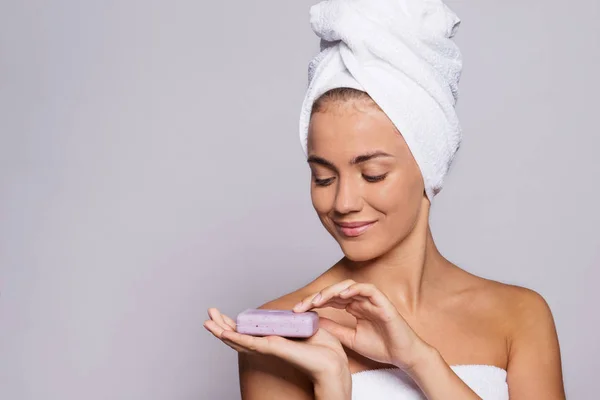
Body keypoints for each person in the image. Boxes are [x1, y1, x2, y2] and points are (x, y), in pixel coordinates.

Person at [204, 1, 566, 399]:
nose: (343, 202)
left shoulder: (517, 317)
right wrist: (333, 385)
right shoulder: (280, 334)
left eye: (372, 174)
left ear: (429, 167)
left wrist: (418, 360)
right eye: (323, 177)